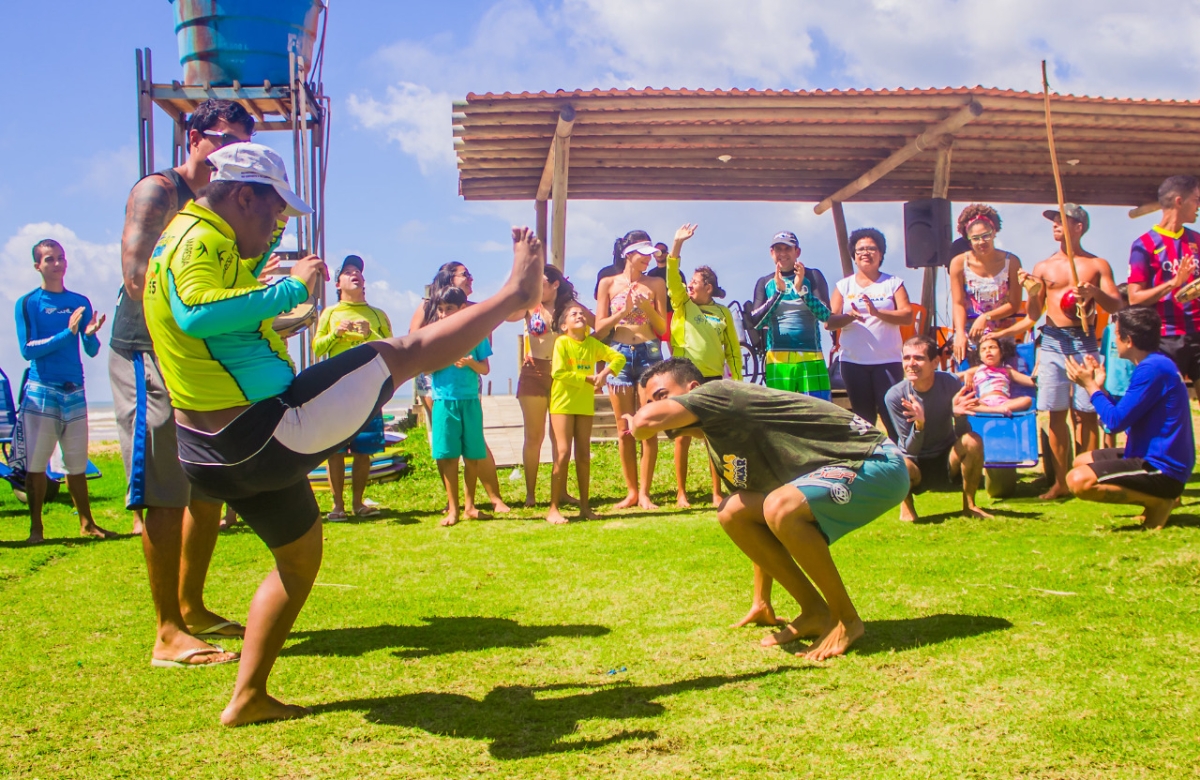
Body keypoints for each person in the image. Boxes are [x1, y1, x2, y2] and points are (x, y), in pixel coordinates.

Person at [143, 141, 544, 725]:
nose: (279, 225)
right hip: (262, 431)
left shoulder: (209, 237)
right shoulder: (195, 239)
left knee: (299, 558)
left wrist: (270, 266)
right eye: (276, 212)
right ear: (242, 195)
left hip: (212, 450)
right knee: (400, 353)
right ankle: (515, 296)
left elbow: (216, 310)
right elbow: (195, 313)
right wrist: (293, 288)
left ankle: (248, 696)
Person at [627, 358, 909, 660]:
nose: (652, 407)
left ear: (692, 390)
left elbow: (643, 424)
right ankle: (814, 611)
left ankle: (846, 620)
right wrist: (761, 601)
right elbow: (756, 521)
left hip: (875, 461)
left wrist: (635, 419)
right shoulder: (720, 439)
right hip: (843, 470)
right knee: (733, 510)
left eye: (659, 397)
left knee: (780, 506)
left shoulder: (719, 392)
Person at [111, 99, 254, 667]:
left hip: (193, 356)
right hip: (148, 351)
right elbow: (137, 270)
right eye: (222, 140)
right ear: (191, 136)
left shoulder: (216, 208)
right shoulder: (159, 191)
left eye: (241, 146)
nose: (229, 154)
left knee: (207, 483)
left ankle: (191, 607)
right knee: (165, 488)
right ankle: (167, 632)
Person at [14, 239, 114, 544]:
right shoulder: (29, 303)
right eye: (49, 260)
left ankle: (88, 523)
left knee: (76, 462)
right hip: (42, 391)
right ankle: (36, 529)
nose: (57, 264)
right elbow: (27, 351)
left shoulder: (78, 302)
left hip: (74, 392)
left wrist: (88, 335)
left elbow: (92, 350)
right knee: (36, 464)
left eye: (60, 258)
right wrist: (66, 333)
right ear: (38, 266)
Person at [1023, 204, 1123, 500]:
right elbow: (1032, 313)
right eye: (1053, 220)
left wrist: (1095, 293)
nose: (1055, 224)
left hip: (1085, 339)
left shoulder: (1098, 264)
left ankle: (1088, 477)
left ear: (1078, 226)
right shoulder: (1043, 267)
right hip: (1053, 339)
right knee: (1054, 413)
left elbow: (1116, 304)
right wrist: (1030, 292)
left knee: (1087, 412)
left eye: (1061, 220)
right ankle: (1061, 481)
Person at [1065, 306, 1194, 530]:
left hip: (1162, 467)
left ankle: (1161, 501)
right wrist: (1100, 388)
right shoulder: (1155, 364)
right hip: (1153, 456)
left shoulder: (1152, 369)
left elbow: (1114, 423)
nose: (1114, 341)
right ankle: (1153, 504)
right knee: (1081, 461)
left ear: (1129, 340)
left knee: (1078, 481)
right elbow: (1120, 415)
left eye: (1116, 335)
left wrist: (1090, 386)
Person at [409, 261, 510, 513]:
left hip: (466, 382)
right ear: (449, 278)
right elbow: (414, 338)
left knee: (474, 442)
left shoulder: (473, 310)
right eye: (465, 274)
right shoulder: (428, 305)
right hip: (436, 383)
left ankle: (488, 498)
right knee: (445, 441)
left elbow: (486, 351)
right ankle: (452, 502)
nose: (470, 278)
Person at [664, 223, 742, 507]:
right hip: (685, 378)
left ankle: (717, 491)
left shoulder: (722, 312)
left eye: (695, 282)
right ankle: (681, 492)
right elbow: (672, 277)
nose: (690, 285)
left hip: (714, 380)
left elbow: (733, 349)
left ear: (708, 287)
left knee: (715, 438)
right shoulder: (683, 304)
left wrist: (738, 381)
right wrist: (677, 244)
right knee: (682, 435)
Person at [312, 255, 392, 520]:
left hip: (367, 389)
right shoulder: (330, 313)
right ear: (338, 284)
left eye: (358, 271)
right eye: (348, 271)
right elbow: (317, 348)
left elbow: (393, 348)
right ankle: (337, 507)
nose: (355, 274)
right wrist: (335, 334)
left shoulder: (378, 314)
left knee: (364, 449)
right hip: (336, 390)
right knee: (335, 450)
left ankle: (358, 503)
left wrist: (371, 334)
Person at [596, 230, 668, 510]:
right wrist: (622, 311)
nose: (647, 261)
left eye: (650, 256)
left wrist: (646, 309)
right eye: (644, 255)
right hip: (620, 354)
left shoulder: (656, 284)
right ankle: (631, 492)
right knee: (624, 426)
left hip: (650, 352)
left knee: (648, 424)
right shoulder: (608, 283)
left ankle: (646, 492)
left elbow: (662, 328)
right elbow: (600, 328)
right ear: (629, 254)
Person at [885, 336, 989, 521]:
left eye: (918, 358)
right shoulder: (895, 396)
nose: (911, 364)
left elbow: (963, 434)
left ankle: (970, 505)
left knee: (973, 440)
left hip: (947, 457)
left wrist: (959, 416)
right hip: (915, 462)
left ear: (934, 363)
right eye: (906, 358)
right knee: (896, 460)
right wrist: (919, 425)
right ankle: (907, 506)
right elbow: (909, 449)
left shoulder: (950, 383)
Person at [748, 231, 856, 399]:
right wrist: (778, 293)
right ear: (772, 253)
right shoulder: (765, 282)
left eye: (787, 249)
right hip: (778, 358)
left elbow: (825, 315)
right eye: (778, 249)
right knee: (781, 413)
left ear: (797, 252)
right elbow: (757, 322)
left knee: (818, 412)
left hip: (811, 355)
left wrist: (802, 291)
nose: (783, 254)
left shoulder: (812, 276)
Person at [829, 227, 913, 439]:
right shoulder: (843, 285)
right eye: (860, 249)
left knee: (892, 415)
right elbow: (829, 322)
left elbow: (907, 316)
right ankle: (869, 464)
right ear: (854, 256)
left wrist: (878, 312)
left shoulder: (893, 283)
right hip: (853, 363)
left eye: (872, 248)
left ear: (881, 254)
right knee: (862, 419)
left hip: (887, 361)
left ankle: (903, 461)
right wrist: (850, 317)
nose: (866, 253)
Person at [506, 264, 579, 507]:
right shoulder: (531, 306)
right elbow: (508, 315)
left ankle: (561, 490)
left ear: (555, 284)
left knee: (560, 437)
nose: (539, 288)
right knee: (533, 437)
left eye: (543, 283)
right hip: (534, 371)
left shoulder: (569, 308)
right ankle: (530, 494)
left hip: (562, 373)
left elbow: (595, 328)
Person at [548, 301, 625, 524]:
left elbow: (618, 358)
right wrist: (587, 379)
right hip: (562, 404)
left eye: (582, 313)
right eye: (573, 314)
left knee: (583, 455)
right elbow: (558, 372)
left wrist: (605, 374)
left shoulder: (592, 343)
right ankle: (553, 508)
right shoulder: (562, 343)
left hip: (584, 405)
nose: (579, 316)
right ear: (564, 325)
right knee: (562, 453)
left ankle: (585, 507)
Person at [1126, 174, 1200, 404]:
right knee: (1165, 408)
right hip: (1165, 339)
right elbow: (1134, 298)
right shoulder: (1144, 245)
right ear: (1179, 201)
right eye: (1196, 199)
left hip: (1198, 334)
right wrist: (1172, 284)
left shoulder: (1196, 240)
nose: (1199, 206)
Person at [429, 286, 493, 527]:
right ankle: (453, 509)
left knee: (473, 454)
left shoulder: (477, 335)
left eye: (450, 309)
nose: (445, 314)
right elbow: (424, 368)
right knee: (448, 456)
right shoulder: (433, 335)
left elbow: (485, 368)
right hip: (444, 401)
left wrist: (470, 363)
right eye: (441, 310)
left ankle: (470, 506)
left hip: (470, 400)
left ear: (463, 308)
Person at [948, 204, 1027, 365]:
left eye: (986, 236)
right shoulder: (958, 263)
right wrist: (960, 333)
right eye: (975, 238)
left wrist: (986, 317)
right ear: (968, 240)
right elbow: (958, 304)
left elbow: (1014, 303)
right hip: (972, 334)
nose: (981, 242)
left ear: (994, 233)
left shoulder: (1011, 262)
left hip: (1001, 335)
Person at [959, 335, 1035, 414]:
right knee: (967, 404)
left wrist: (1039, 371)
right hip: (983, 402)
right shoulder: (978, 369)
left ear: (1001, 353)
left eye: (992, 347)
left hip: (1004, 402)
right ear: (980, 357)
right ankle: (997, 410)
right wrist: (966, 374)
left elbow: (1030, 381)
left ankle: (996, 409)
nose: (988, 350)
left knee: (1027, 400)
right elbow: (955, 376)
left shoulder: (1007, 370)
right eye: (983, 349)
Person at [1099, 285, 1135, 449]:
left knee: (1133, 430)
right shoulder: (1109, 330)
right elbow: (1105, 357)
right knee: (1109, 428)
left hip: (1131, 388)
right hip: (1112, 387)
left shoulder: (1136, 331)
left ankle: (1133, 460)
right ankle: (1108, 461)